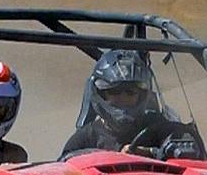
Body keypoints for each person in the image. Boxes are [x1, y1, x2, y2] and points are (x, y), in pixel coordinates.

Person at [60, 48, 194, 157]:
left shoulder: (159, 127)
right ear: (101, 94)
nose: (122, 99)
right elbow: (63, 167)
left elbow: (190, 152)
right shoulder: (86, 138)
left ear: (141, 96)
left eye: (130, 93)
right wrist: (113, 156)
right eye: (115, 92)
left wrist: (149, 153)